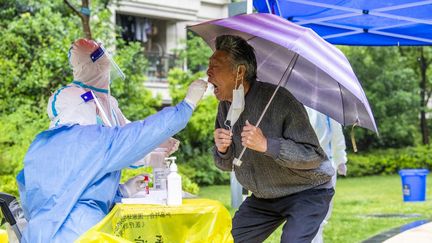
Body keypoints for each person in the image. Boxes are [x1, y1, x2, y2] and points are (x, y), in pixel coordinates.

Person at [16, 39, 208, 243]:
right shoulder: (95, 142)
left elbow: (65, 197)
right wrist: (187, 105)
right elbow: (139, 134)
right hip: (82, 237)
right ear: (93, 107)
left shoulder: (40, 146)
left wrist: (122, 190)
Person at [209, 35, 335, 243]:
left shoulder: (281, 100)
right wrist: (222, 150)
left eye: (215, 66)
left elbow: (312, 156)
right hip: (264, 197)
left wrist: (267, 145)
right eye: (209, 65)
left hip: (307, 191)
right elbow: (227, 165)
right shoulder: (225, 105)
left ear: (239, 72)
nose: (208, 72)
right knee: (226, 240)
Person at [306, 107, 347, 243]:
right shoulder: (300, 105)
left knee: (322, 212)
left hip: (326, 167)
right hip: (305, 166)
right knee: (308, 212)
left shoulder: (329, 110)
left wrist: (341, 160)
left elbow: (337, 136)